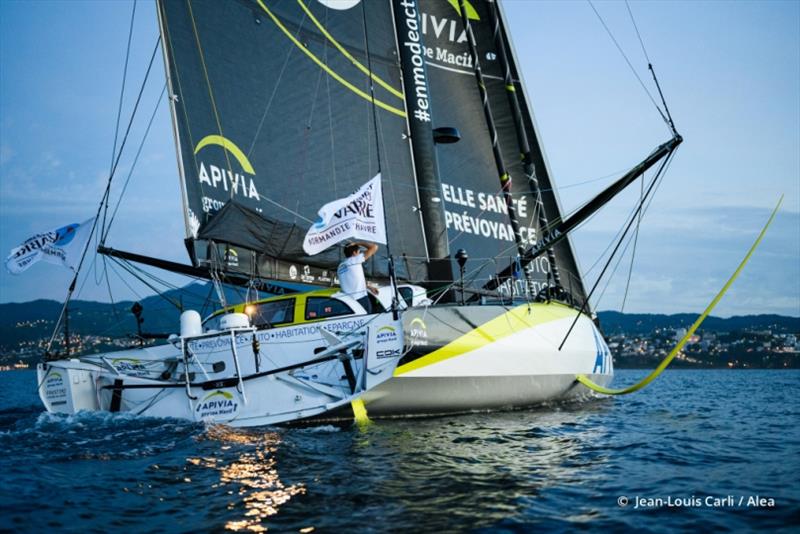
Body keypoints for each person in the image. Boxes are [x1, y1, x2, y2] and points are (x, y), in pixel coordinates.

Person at [337, 241, 378, 313]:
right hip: (360, 298)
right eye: (359, 252)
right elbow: (374, 247)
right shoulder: (355, 260)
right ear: (354, 253)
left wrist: (368, 287)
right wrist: (358, 243)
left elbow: (353, 280)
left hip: (348, 301)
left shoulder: (340, 266)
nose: (360, 253)